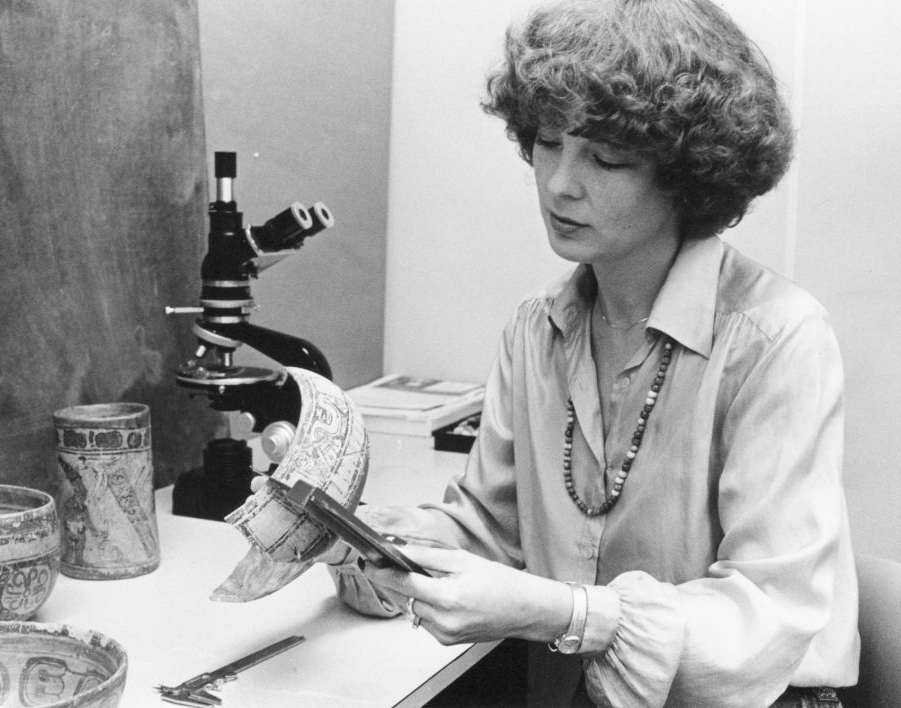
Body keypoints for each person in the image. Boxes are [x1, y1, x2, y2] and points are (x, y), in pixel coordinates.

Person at [324, 0, 860, 705]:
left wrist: (564, 613)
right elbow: (491, 527)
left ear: (688, 173)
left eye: (606, 157)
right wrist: (356, 532)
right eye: (549, 142)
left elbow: (766, 620)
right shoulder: (536, 330)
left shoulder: (777, 339)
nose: (558, 184)